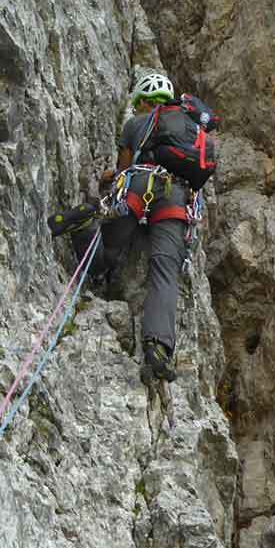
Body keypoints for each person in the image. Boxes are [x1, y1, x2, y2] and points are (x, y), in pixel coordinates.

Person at [92, 71, 193, 385]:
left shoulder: (135, 124)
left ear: (143, 101)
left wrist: (108, 181)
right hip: (175, 198)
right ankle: (158, 346)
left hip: (138, 187)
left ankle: (87, 252)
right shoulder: (188, 129)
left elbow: (124, 171)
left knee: (111, 244)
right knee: (164, 269)